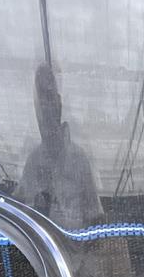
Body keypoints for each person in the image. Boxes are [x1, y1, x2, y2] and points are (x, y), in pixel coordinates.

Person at [16, 62, 101, 230]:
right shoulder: (32, 162)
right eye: (41, 100)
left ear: (59, 103)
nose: (46, 107)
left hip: (76, 253)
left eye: (49, 97)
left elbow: (95, 217)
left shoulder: (79, 159)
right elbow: (20, 211)